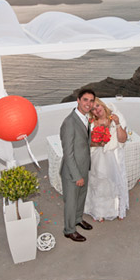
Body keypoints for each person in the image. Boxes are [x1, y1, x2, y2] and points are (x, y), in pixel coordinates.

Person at [60, 88, 96, 242]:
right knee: (71, 201)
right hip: (72, 171)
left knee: (81, 197)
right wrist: (76, 176)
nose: (88, 103)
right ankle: (69, 230)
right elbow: (68, 153)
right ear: (78, 100)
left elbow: (83, 143)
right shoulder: (69, 122)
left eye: (91, 100)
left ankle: (78, 219)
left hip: (83, 166)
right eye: (85, 100)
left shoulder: (85, 118)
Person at [85, 98, 130, 221]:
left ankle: (117, 210)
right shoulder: (92, 123)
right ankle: (99, 211)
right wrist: (99, 143)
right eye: (93, 109)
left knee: (115, 183)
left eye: (98, 106)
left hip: (115, 156)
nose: (97, 110)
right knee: (99, 184)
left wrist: (118, 123)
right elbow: (87, 144)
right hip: (98, 158)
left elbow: (122, 140)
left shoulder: (116, 116)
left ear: (103, 105)